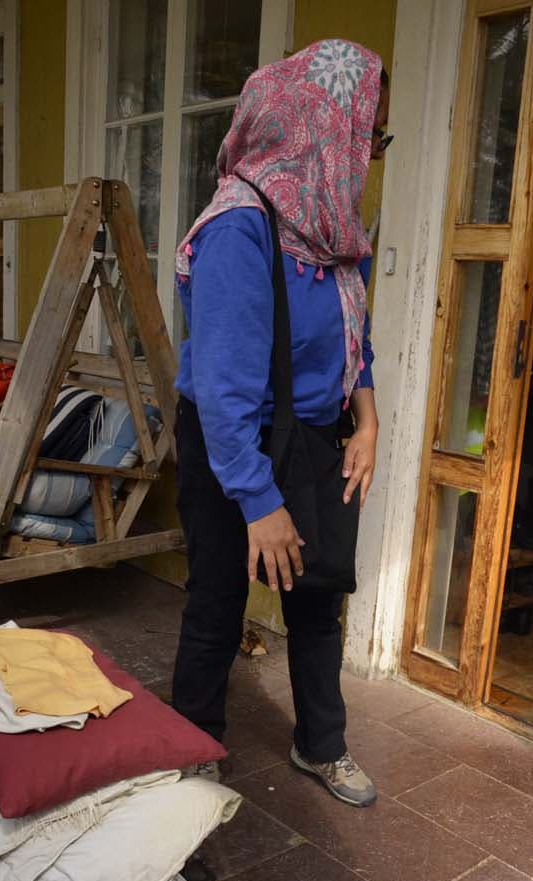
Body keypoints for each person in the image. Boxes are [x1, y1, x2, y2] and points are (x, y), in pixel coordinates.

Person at [169, 40, 391, 807]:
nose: (370, 156)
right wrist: (258, 504)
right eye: (369, 137)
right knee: (218, 599)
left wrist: (366, 421)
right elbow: (222, 388)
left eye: (377, 139)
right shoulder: (242, 227)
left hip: (314, 439)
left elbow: (353, 345)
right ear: (320, 129)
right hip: (233, 441)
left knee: (317, 598)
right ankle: (192, 744)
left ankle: (319, 745)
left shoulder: (336, 231)